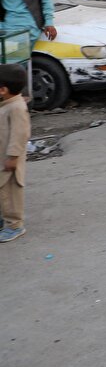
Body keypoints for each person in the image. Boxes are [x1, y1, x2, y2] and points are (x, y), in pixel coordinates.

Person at [0, 64, 30, 243]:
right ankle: (4, 219)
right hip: (2, 158)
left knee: (10, 193)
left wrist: (13, 157)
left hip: (10, 161)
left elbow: (20, 134)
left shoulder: (16, 108)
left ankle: (14, 225)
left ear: (3, 90)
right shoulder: (5, 104)